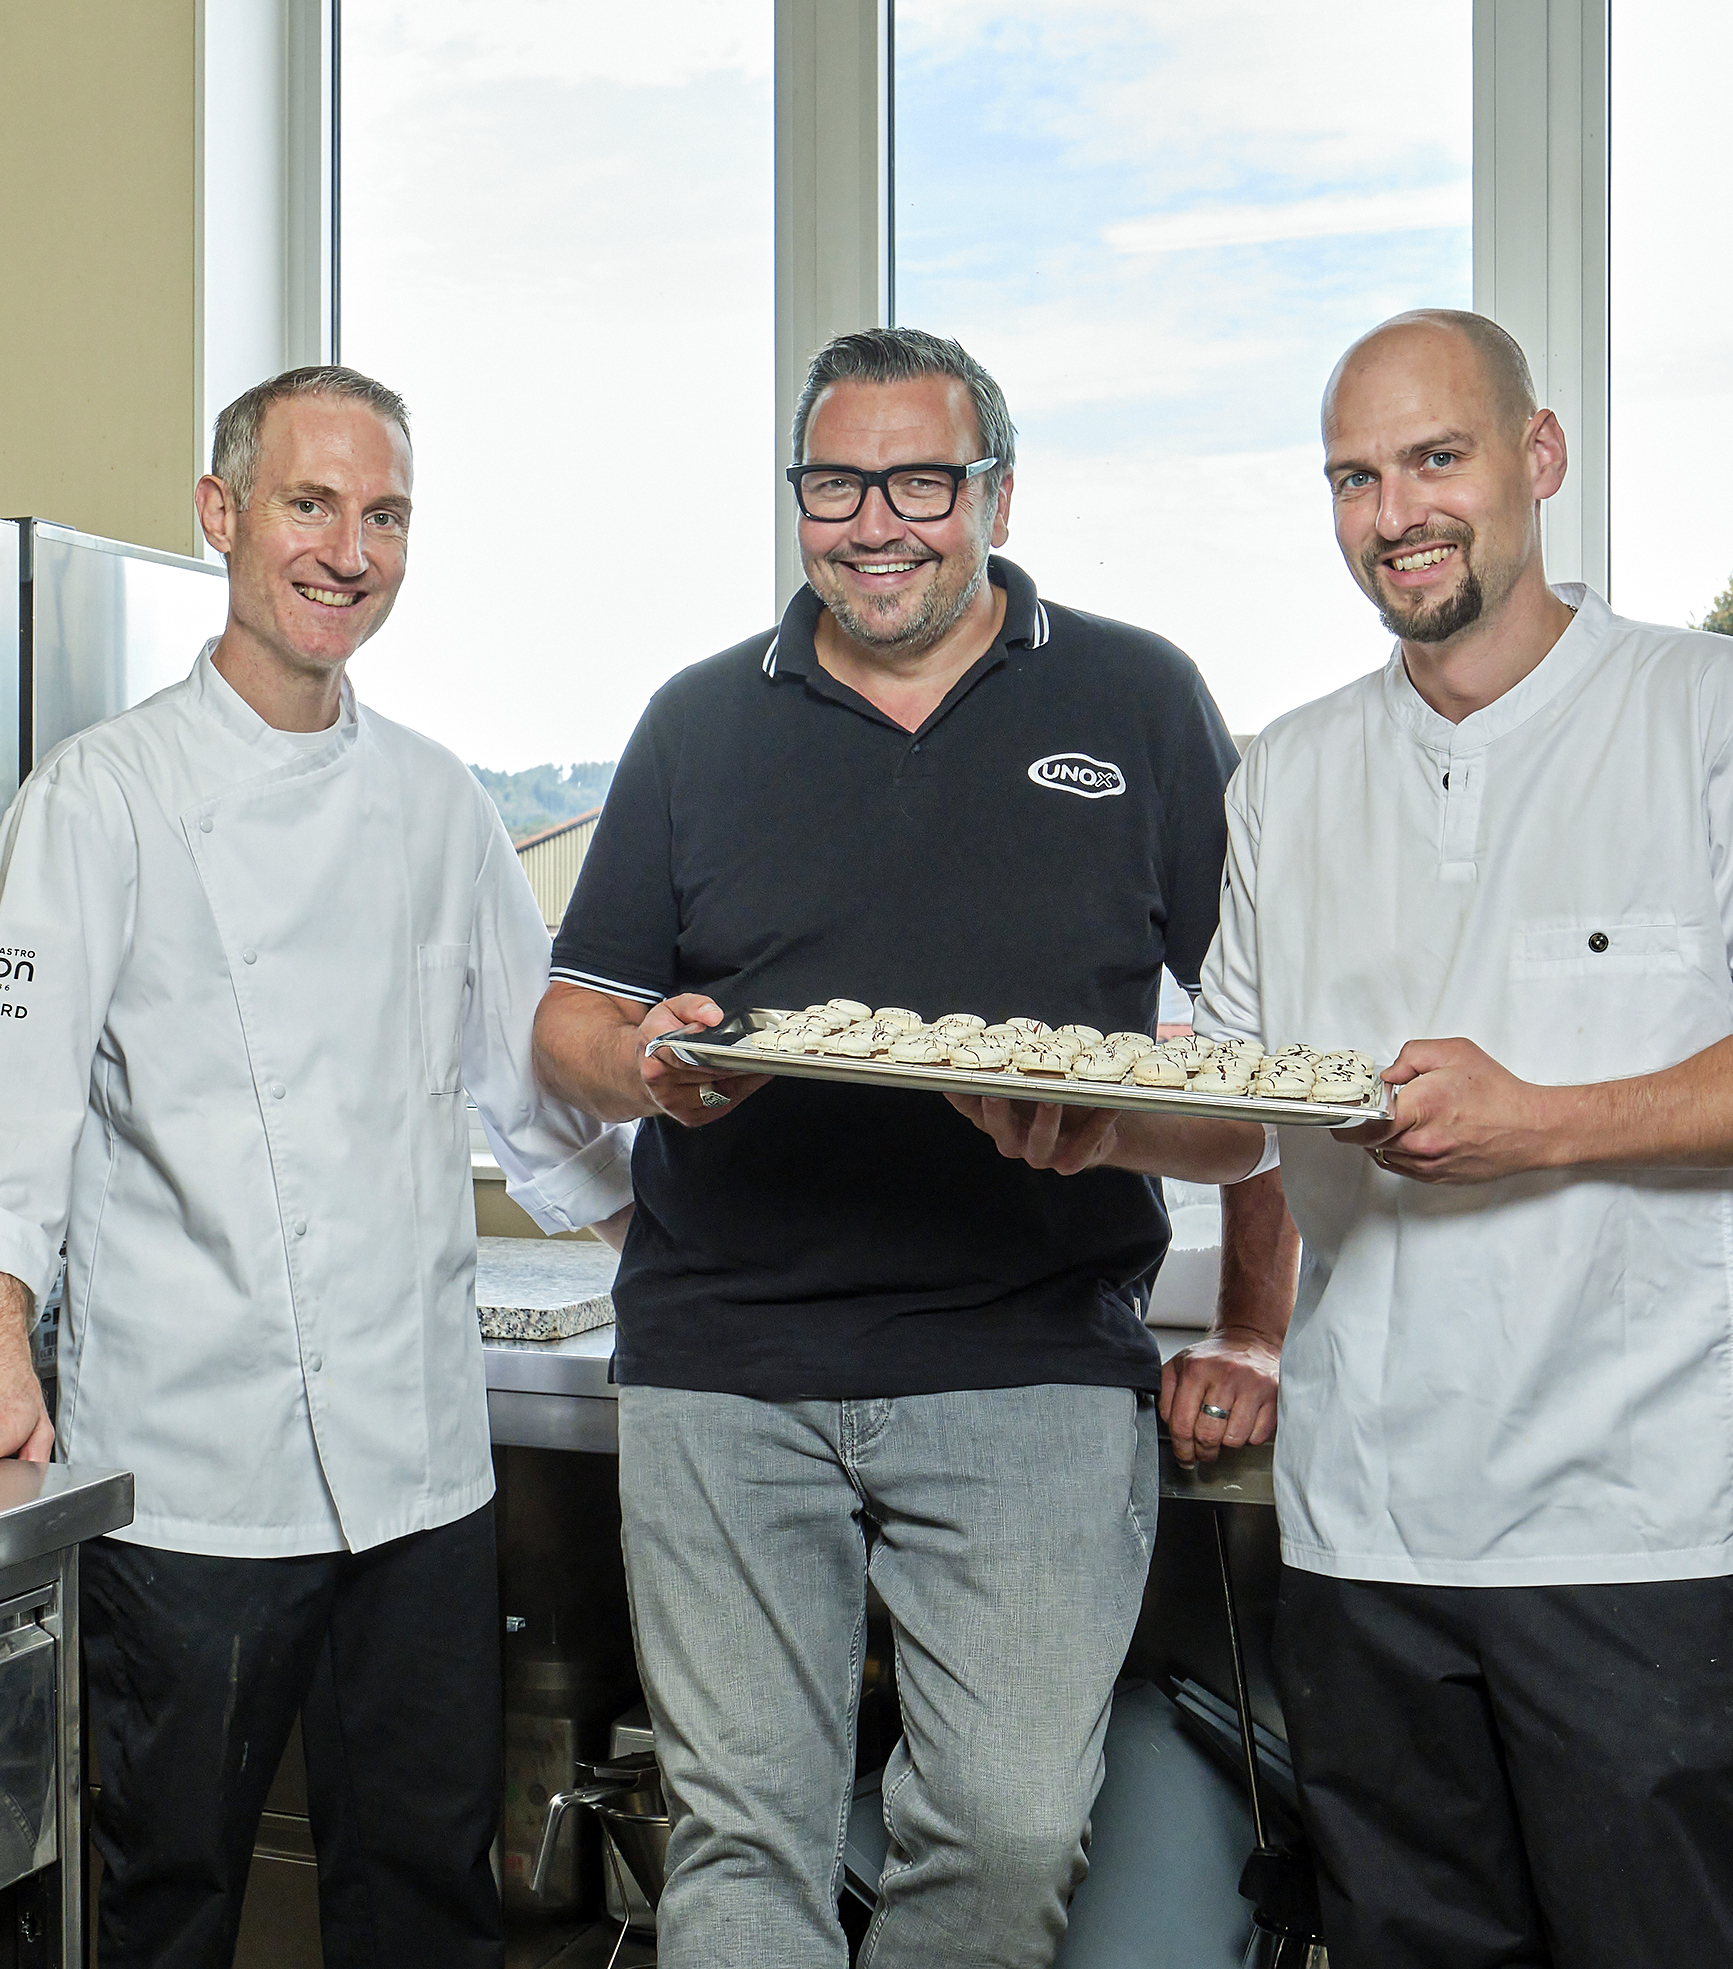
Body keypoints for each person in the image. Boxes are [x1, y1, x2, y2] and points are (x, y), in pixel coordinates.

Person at [0, 364, 634, 1969]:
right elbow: (10, 1108)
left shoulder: (438, 803)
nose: (348, 548)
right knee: (170, 1895)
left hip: (419, 1466)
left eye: (385, 514)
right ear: (221, 517)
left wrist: (693, 1224)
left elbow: (537, 1097)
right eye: (310, 503)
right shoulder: (103, 794)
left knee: (426, 1894)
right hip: (195, 1474)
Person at [1191, 308, 1733, 1967]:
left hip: (1640, 1531)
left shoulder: (1718, 712)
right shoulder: (1285, 775)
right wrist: (1072, 1128)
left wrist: (1546, 1122)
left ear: (1537, 458)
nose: (1394, 511)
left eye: (1434, 457)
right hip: (1364, 1526)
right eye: (1352, 475)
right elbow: (1238, 1101)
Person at [530, 325, 1279, 1967]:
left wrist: (1249, 1319)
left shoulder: (1135, 695)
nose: (875, 522)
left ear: (996, 492)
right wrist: (651, 1066)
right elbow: (571, 1021)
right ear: (795, 496)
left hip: (1024, 1352)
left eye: (921, 480)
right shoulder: (697, 718)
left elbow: (1260, 1066)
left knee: (1010, 1828)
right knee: (742, 1834)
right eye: (833, 482)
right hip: (723, 1355)